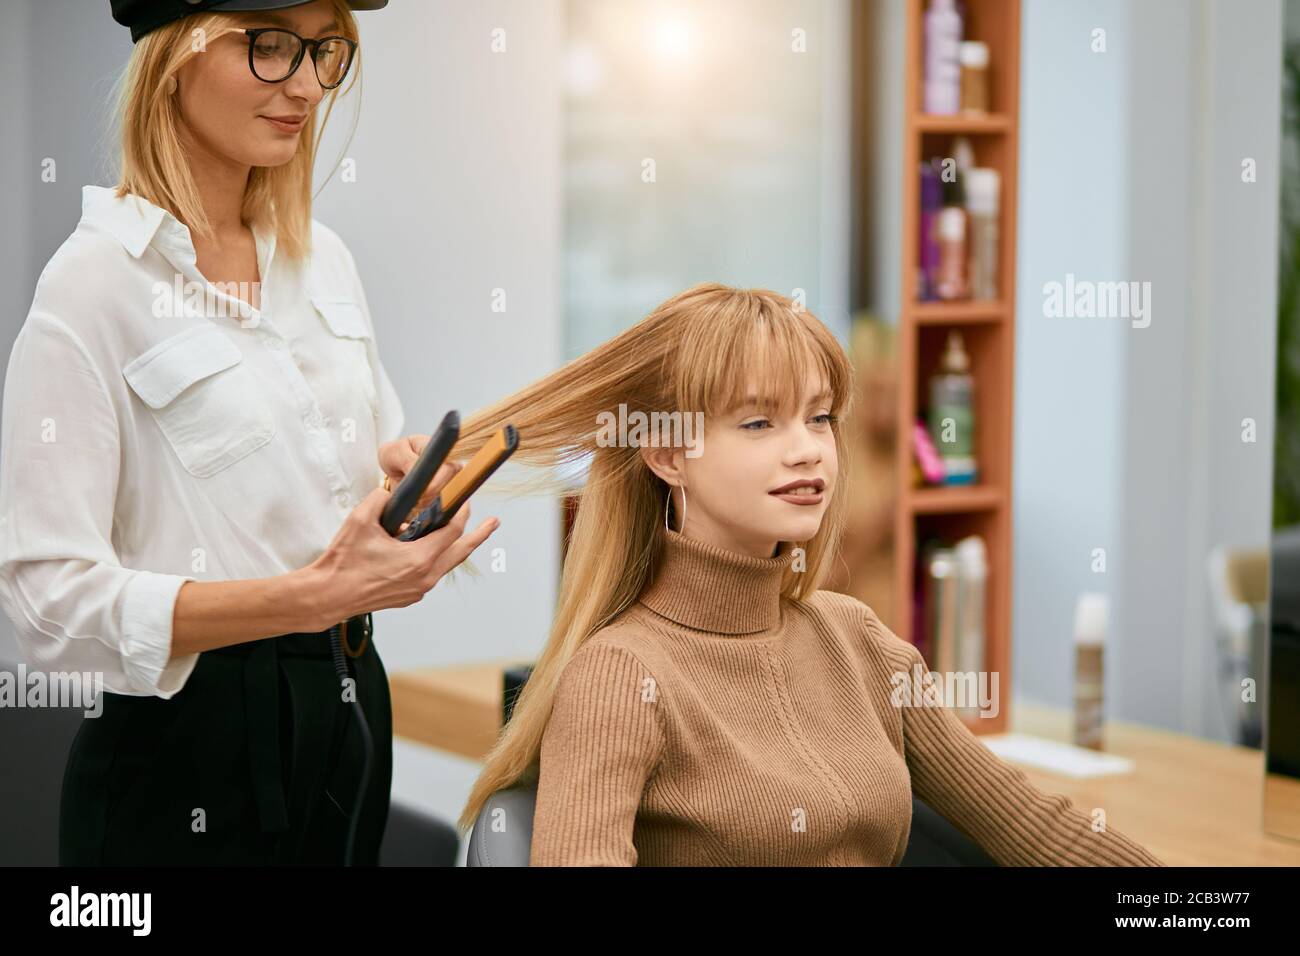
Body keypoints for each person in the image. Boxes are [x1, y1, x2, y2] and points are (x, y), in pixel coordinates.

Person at [0, 0, 498, 865]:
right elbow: (48, 607)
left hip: (349, 699)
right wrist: (310, 596)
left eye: (327, 53)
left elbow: (361, 469)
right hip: (188, 746)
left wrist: (403, 489)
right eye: (270, 47)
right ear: (175, 55)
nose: (307, 85)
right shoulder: (91, 287)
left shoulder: (322, 260)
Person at [449, 283, 1163, 866]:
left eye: (818, 418)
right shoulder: (619, 675)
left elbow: (1032, 828)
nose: (807, 452)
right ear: (667, 454)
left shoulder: (857, 643)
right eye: (759, 424)